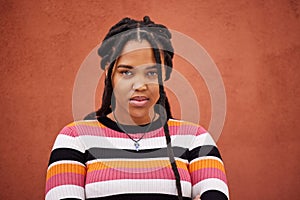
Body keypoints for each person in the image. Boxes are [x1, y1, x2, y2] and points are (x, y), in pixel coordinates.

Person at [45, 16, 229, 200]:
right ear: (109, 73)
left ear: (165, 74)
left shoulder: (196, 140)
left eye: (151, 72)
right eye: (126, 72)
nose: (140, 85)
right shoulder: (75, 139)